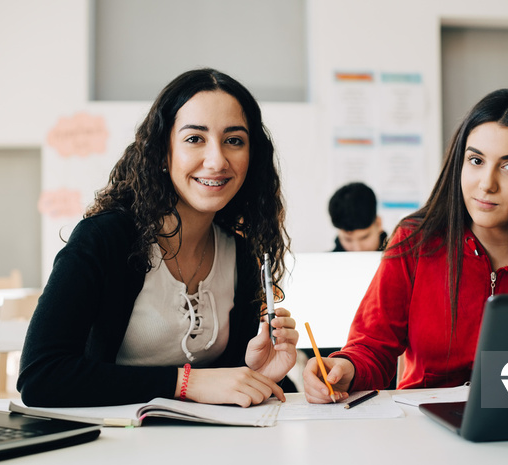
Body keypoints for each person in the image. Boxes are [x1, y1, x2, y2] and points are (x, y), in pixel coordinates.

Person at [303, 88, 508, 403]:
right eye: (476, 160)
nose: (486, 183)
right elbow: (373, 346)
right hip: (424, 429)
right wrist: (343, 367)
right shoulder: (416, 239)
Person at [18, 68, 299, 408]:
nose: (217, 160)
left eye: (234, 140)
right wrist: (184, 383)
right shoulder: (105, 238)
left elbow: (226, 385)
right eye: (195, 139)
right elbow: (41, 377)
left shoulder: (240, 253)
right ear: (162, 152)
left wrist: (262, 374)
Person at [328, 182, 387, 251]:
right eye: (348, 239)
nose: (357, 249)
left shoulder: (401, 259)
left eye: (364, 237)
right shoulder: (323, 261)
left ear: (378, 223)